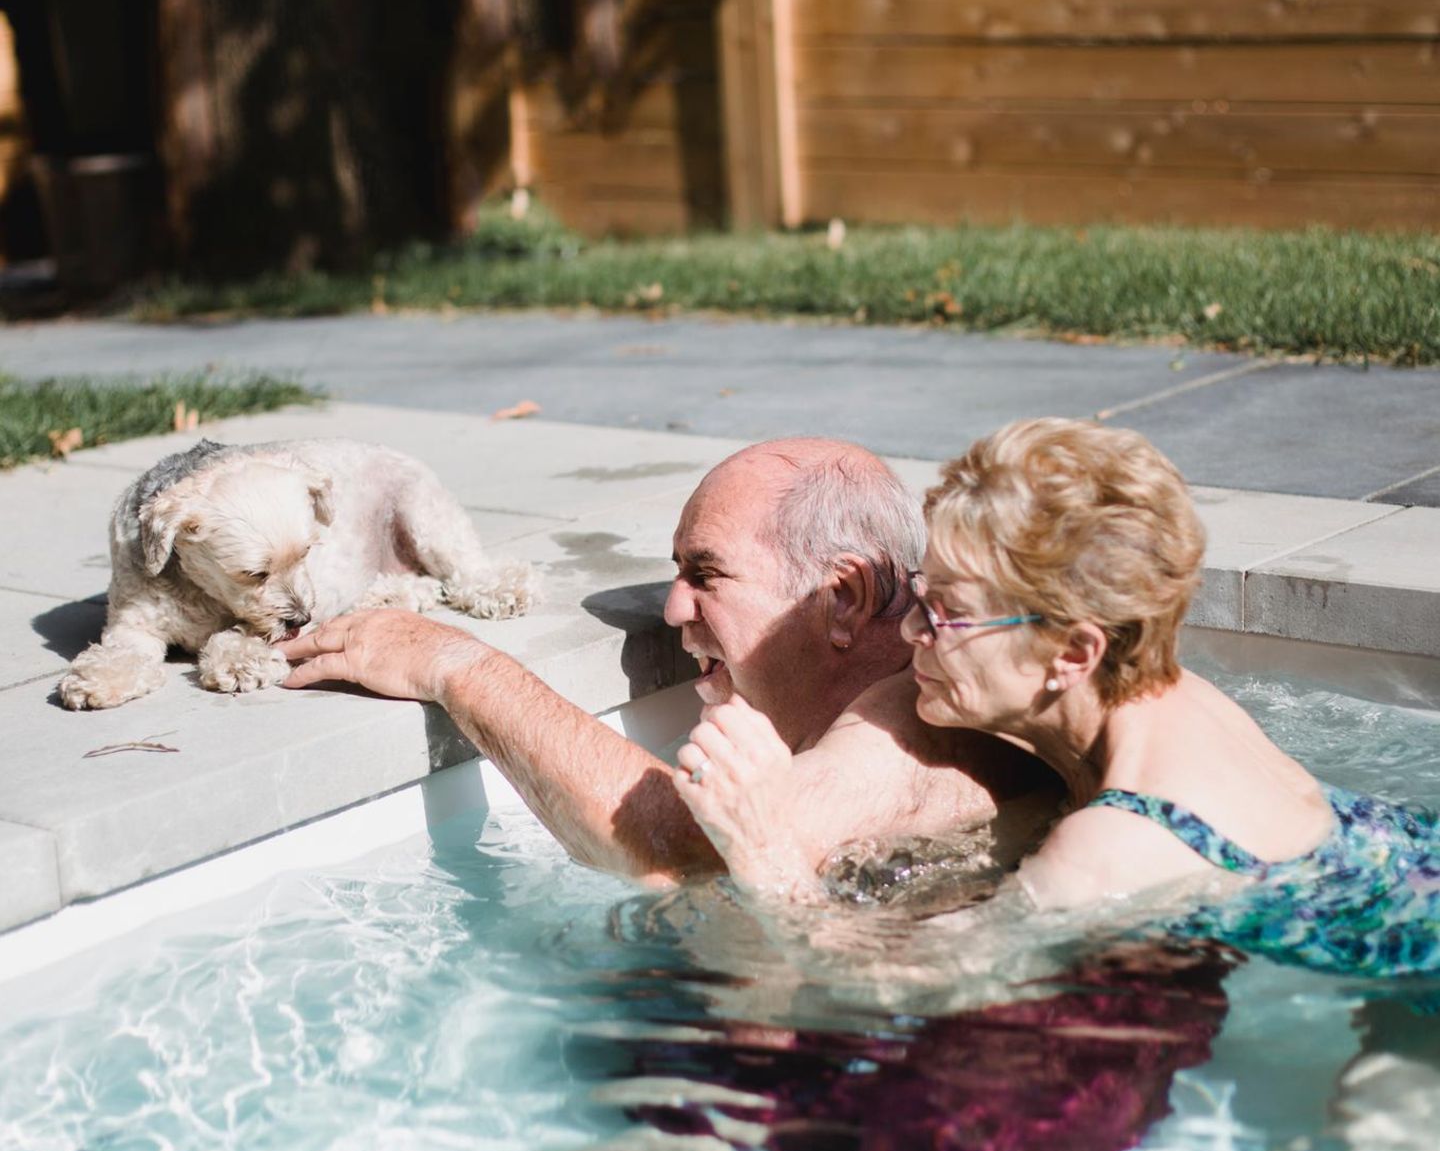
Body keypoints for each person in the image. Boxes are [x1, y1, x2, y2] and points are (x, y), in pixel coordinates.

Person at [676, 418, 1440, 977]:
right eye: (919, 594)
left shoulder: (1112, 844)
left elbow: (896, 985)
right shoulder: (1170, 697)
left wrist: (767, 849)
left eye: (943, 613)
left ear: (1073, 652)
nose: (907, 628)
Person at [279, 437, 1056, 884]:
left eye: (706, 576)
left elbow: (677, 845)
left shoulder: (914, 718)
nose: (673, 610)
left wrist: (451, 664)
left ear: (845, 597)